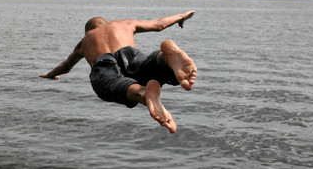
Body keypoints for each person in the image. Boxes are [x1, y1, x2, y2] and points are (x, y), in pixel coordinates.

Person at [38, 11, 197, 132]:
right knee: (146, 67)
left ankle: (143, 94)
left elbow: (65, 66)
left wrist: (50, 75)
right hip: (128, 53)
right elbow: (159, 24)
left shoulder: (86, 39)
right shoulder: (124, 24)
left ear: (87, 31)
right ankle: (164, 59)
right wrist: (181, 16)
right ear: (105, 22)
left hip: (104, 61)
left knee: (112, 84)